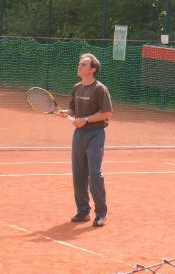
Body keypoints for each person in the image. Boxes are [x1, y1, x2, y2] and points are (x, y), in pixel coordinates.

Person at [58, 53, 113, 227]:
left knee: (95, 174)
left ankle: (101, 213)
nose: (79, 67)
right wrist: (66, 113)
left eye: (83, 65)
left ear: (92, 70)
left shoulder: (100, 89)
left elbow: (106, 114)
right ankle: (83, 212)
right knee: (78, 175)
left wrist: (86, 120)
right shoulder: (76, 88)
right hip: (79, 136)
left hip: (95, 134)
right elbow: (73, 111)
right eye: (79, 64)